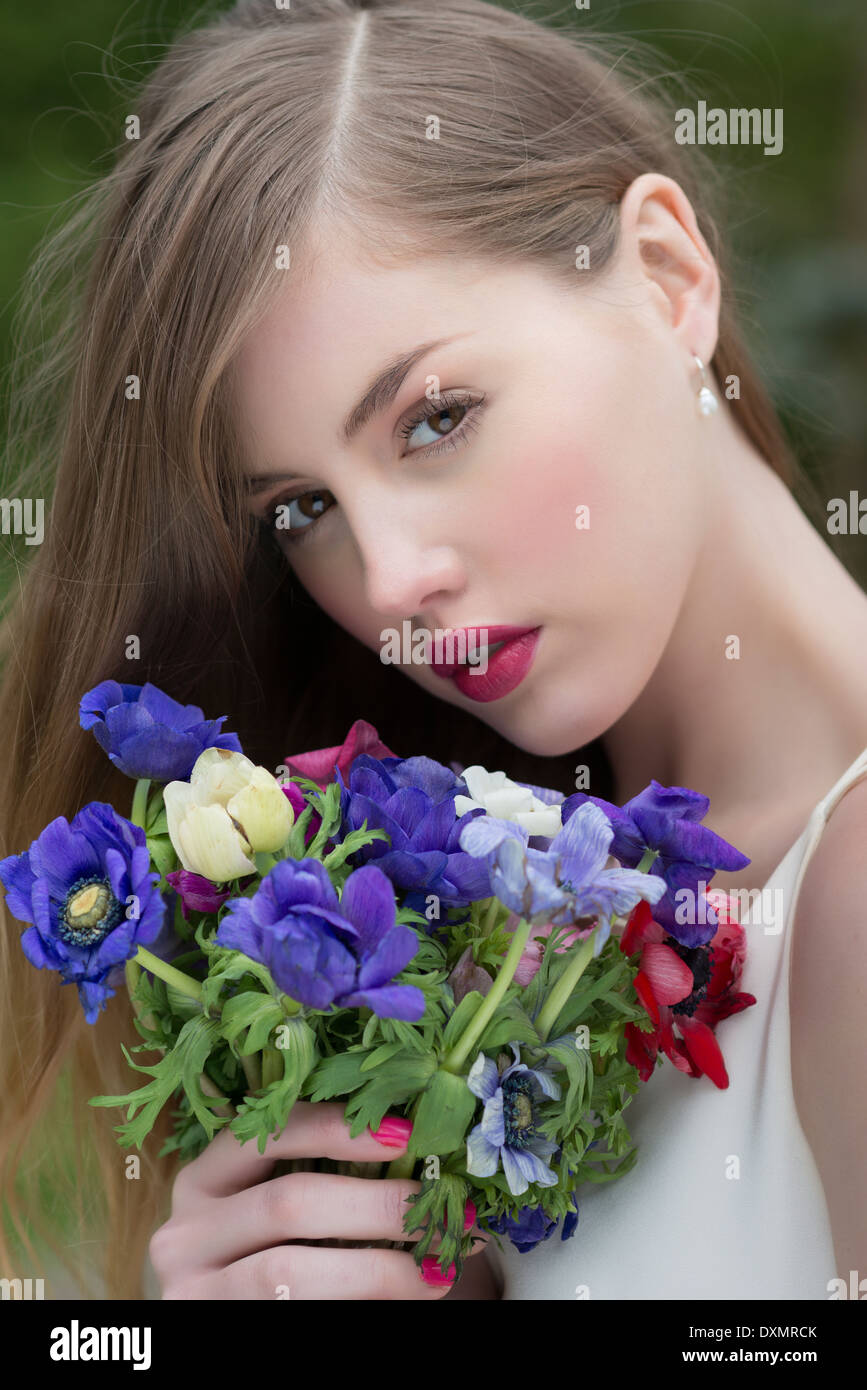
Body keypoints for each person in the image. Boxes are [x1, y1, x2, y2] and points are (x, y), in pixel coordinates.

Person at [1, 0, 864, 1301]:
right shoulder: (475, 961)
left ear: (668, 276)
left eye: (437, 416)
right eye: (301, 508)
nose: (391, 580)